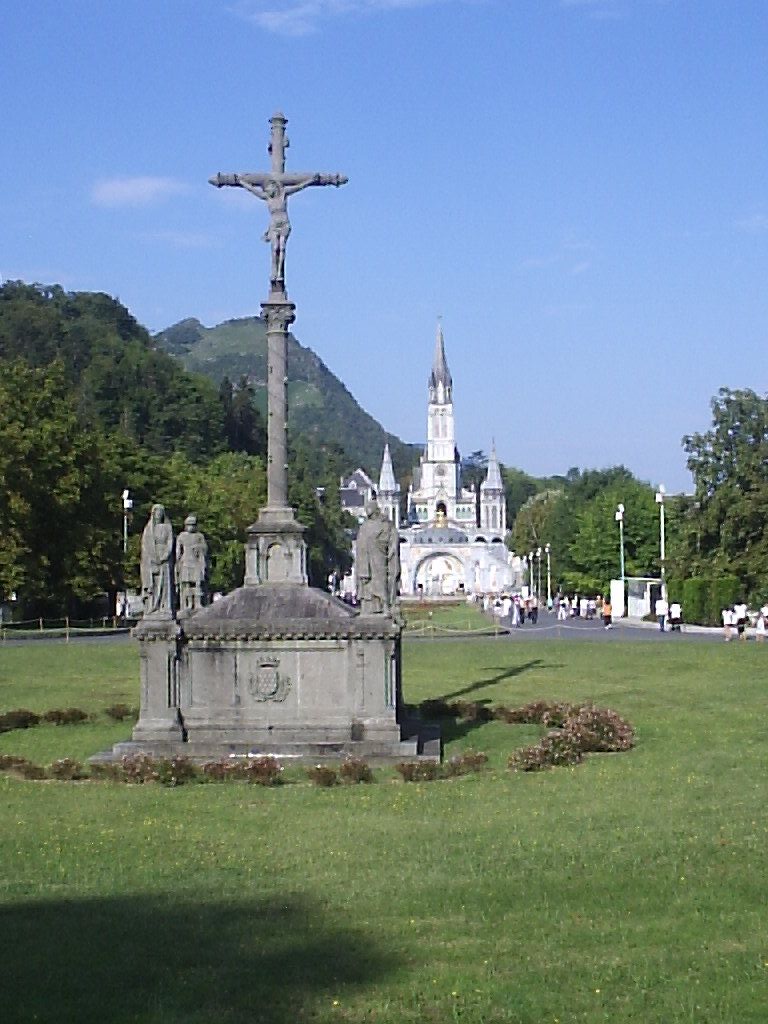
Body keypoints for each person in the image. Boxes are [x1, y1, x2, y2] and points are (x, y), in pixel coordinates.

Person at [356, 501, 400, 616]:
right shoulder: (365, 526)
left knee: (381, 581)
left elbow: (392, 540)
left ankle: (385, 606)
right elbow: (360, 544)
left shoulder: (386, 524)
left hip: (379, 557)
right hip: (366, 559)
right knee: (369, 585)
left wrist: (391, 550)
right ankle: (370, 607)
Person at [140, 504, 174, 616]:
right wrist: (152, 557)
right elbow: (145, 545)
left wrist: (165, 555)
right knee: (152, 583)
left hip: (164, 558)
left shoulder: (167, 527)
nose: (158, 515)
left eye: (160, 513)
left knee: (165, 584)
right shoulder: (148, 529)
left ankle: (164, 607)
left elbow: (170, 542)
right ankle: (152, 606)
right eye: (157, 513)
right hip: (151, 558)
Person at [175, 514, 209, 613]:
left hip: (197, 562)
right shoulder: (181, 536)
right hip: (185, 561)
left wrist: (198, 547)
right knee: (187, 584)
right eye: (189, 524)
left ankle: (198, 603)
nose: (191, 526)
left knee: (198, 583)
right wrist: (177, 563)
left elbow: (205, 548)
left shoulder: (199, 536)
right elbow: (178, 551)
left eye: (193, 524)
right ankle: (188, 604)